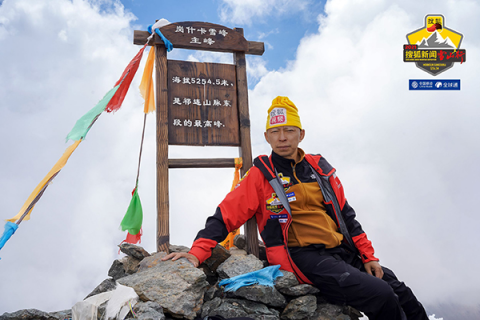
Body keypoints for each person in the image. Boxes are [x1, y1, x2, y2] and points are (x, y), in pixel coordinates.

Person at [163, 97, 429, 320]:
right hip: (304, 256)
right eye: (275, 132)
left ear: (301, 134)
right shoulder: (260, 174)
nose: (282, 138)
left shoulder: (320, 169)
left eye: (289, 130)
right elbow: (225, 216)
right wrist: (197, 253)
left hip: (342, 252)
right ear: (267, 137)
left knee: (403, 294)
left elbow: (346, 216)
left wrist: (368, 256)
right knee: (381, 295)